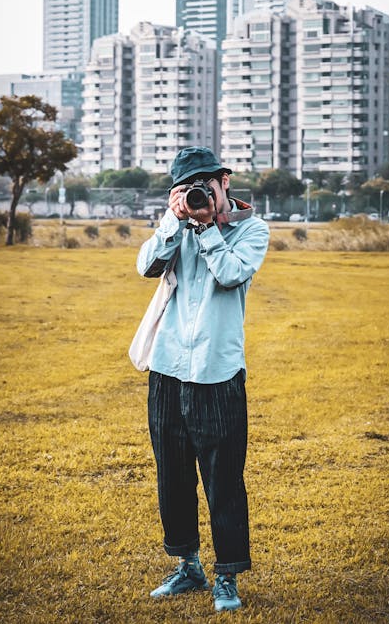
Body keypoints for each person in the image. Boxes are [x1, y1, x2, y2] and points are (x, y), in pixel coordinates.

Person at [135, 146, 269, 613]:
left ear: (224, 181)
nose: (196, 194)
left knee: (223, 479)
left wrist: (208, 227)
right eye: (185, 187)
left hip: (218, 371)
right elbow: (145, 266)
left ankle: (227, 576)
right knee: (172, 474)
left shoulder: (253, 229)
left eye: (203, 185)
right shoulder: (176, 223)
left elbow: (231, 276)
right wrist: (175, 222)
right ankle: (187, 566)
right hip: (168, 368)